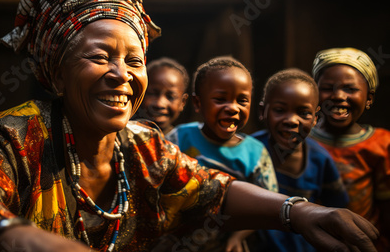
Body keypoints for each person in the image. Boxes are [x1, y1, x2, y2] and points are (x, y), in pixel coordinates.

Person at [0, 0, 380, 252]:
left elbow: (212, 190)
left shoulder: (142, 145)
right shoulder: (13, 135)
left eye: (134, 59)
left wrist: (300, 212)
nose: (121, 74)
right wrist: (23, 241)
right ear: (57, 75)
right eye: (100, 56)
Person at [166, 56, 278, 252]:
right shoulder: (180, 137)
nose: (233, 108)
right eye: (220, 99)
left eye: (242, 100)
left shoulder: (255, 152)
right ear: (198, 103)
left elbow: (268, 205)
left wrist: (238, 236)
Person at [251, 68, 349, 252]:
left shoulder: (320, 160)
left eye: (303, 113)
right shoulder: (249, 150)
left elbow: (336, 208)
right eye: (280, 110)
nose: (291, 120)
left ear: (315, 119)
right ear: (263, 111)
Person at [309, 47, 390, 251]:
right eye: (327, 88)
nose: (338, 96)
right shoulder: (300, 139)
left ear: (369, 98)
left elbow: (386, 208)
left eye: (350, 89)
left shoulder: (381, 144)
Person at [134, 57, 189, 134]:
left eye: (171, 97)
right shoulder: (120, 136)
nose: (159, 104)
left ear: (183, 102)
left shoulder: (182, 143)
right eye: (152, 94)